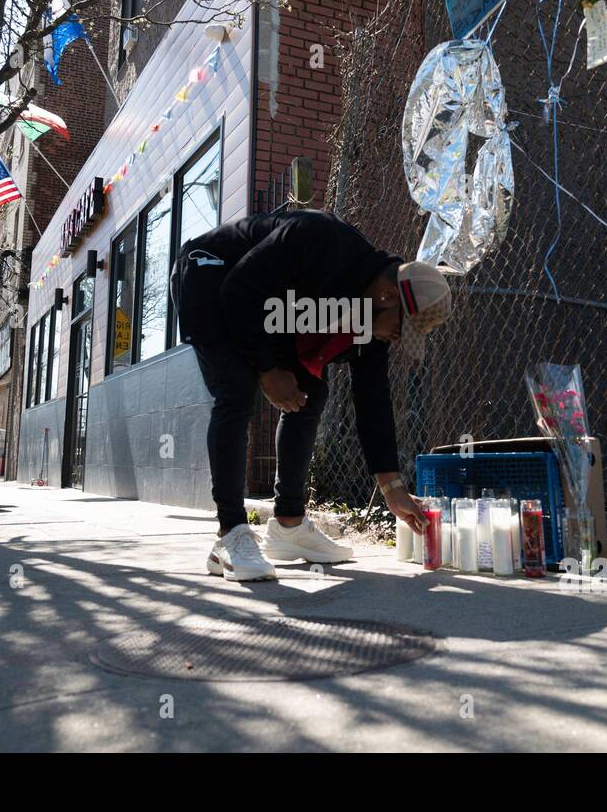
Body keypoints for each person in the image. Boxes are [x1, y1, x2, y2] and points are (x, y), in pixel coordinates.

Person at [173, 209, 453, 581]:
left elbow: (373, 398)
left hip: (267, 307)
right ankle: (231, 533)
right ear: (387, 294)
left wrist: (393, 488)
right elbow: (239, 289)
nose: (399, 338)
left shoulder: (375, 318)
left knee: (310, 390)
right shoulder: (321, 241)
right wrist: (267, 368)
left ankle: (288, 525)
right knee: (236, 390)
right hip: (212, 273)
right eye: (403, 328)